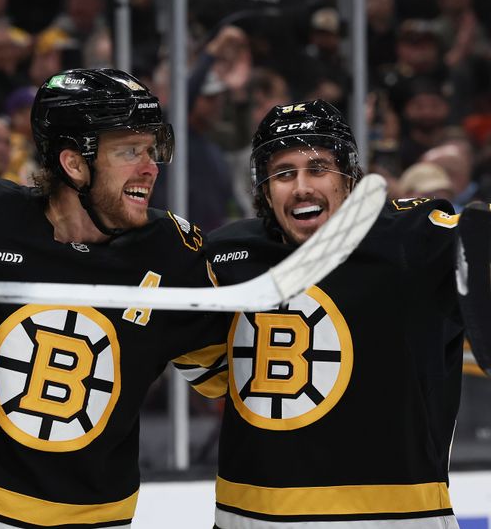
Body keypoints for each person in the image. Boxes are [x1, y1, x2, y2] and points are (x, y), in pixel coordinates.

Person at [0, 68, 227, 528]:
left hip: (86, 517)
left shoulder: (173, 255)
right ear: (73, 164)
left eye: (151, 149)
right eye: (129, 151)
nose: (150, 167)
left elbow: (235, 376)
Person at [198, 99, 464, 528]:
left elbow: (474, 244)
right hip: (255, 520)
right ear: (265, 190)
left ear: (347, 179)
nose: (302, 186)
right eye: (284, 174)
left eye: (318, 168)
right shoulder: (227, 256)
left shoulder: (411, 241)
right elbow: (208, 373)